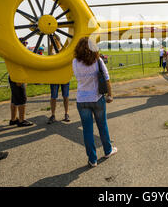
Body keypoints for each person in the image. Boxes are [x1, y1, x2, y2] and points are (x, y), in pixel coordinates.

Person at [72, 37, 117, 167]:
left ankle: (92, 159)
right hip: (97, 97)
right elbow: (107, 79)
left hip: (82, 99)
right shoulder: (98, 61)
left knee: (87, 130)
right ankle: (108, 150)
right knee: (102, 125)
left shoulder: (75, 62)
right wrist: (110, 95)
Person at [47, 34, 70, 124]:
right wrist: (51, 43)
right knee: (53, 96)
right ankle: (53, 114)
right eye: (53, 40)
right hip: (55, 77)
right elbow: (50, 54)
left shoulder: (63, 49)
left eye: (55, 39)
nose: (54, 41)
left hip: (64, 75)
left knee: (66, 96)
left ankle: (66, 113)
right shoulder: (51, 50)